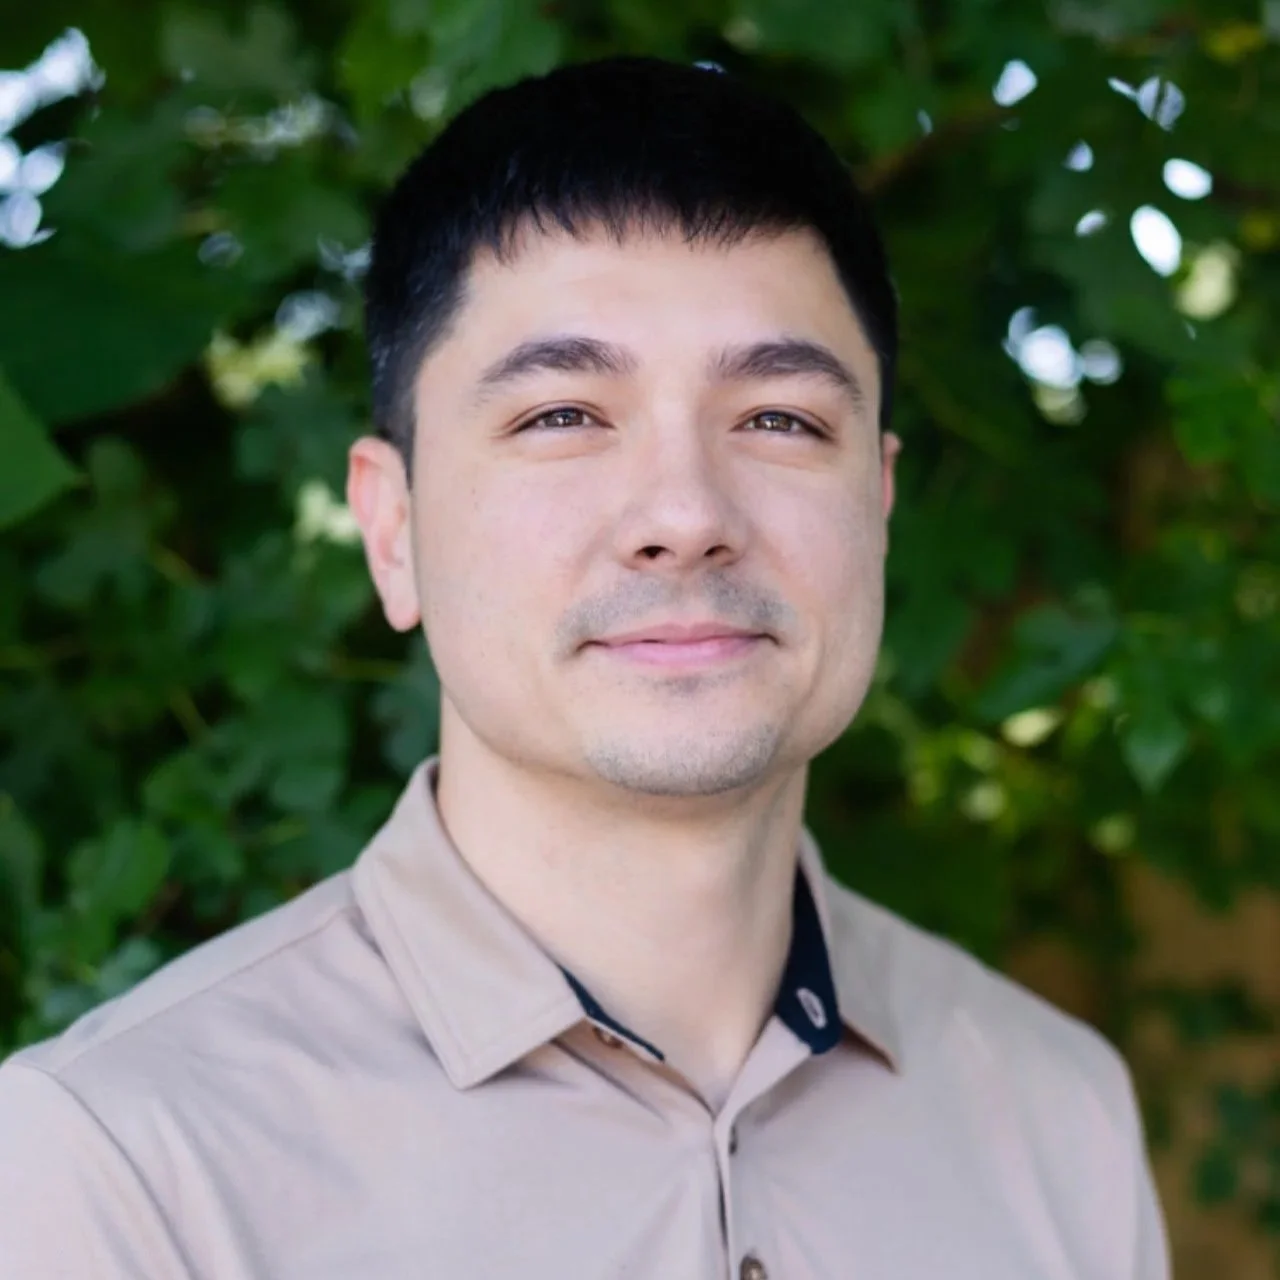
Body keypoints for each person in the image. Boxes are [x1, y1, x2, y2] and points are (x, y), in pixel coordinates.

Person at [0, 55, 1170, 1279]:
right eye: (561, 415)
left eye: (777, 418)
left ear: (875, 505)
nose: (683, 511)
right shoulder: (125, 1167)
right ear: (391, 529)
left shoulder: (1053, 1116)